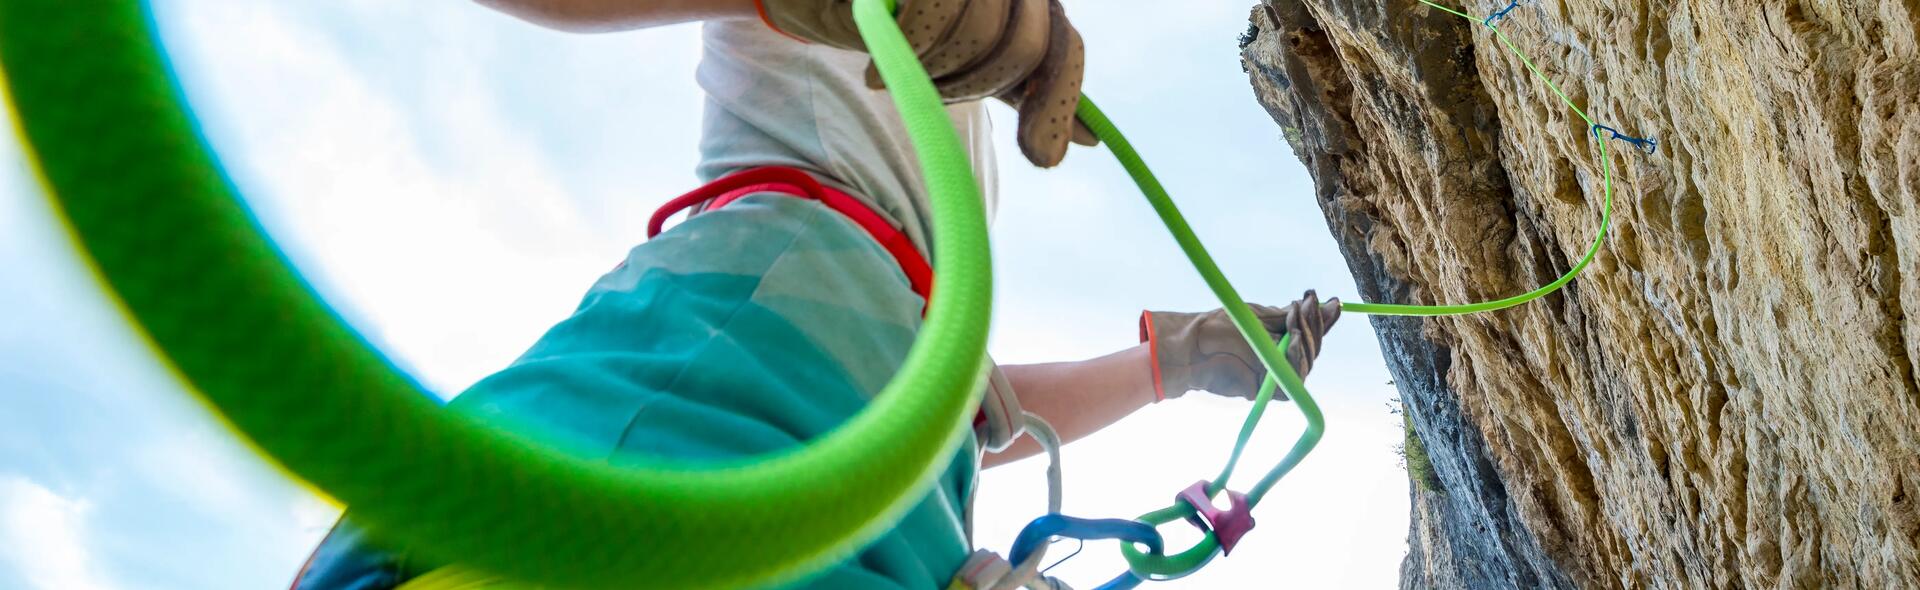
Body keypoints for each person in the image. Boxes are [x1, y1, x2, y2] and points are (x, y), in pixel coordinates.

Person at [289, 1, 1342, 588]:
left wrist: (1175, 360)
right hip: (649, 469)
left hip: (848, 516)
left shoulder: (948, 166)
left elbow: (948, 409)